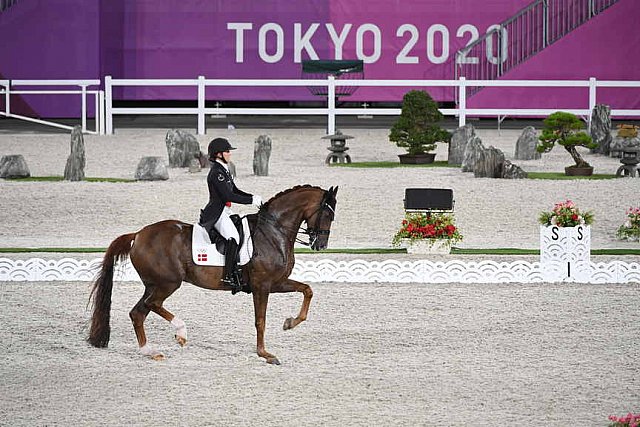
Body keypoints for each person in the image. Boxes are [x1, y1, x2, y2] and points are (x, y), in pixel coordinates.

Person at [199, 137, 262, 292]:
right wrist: (250, 201)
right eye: (227, 151)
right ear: (219, 154)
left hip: (226, 211)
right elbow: (228, 196)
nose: (229, 154)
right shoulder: (216, 173)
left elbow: (235, 190)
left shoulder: (223, 170)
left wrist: (253, 197)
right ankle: (229, 275)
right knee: (232, 237)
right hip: (217, 212)